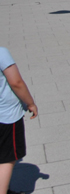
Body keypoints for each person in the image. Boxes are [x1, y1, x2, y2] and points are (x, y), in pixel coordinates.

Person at [0, 47, 37, 194]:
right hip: (5, 116)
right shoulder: (1, 52)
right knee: (6, 160)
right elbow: (16, 82)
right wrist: (30, 103)